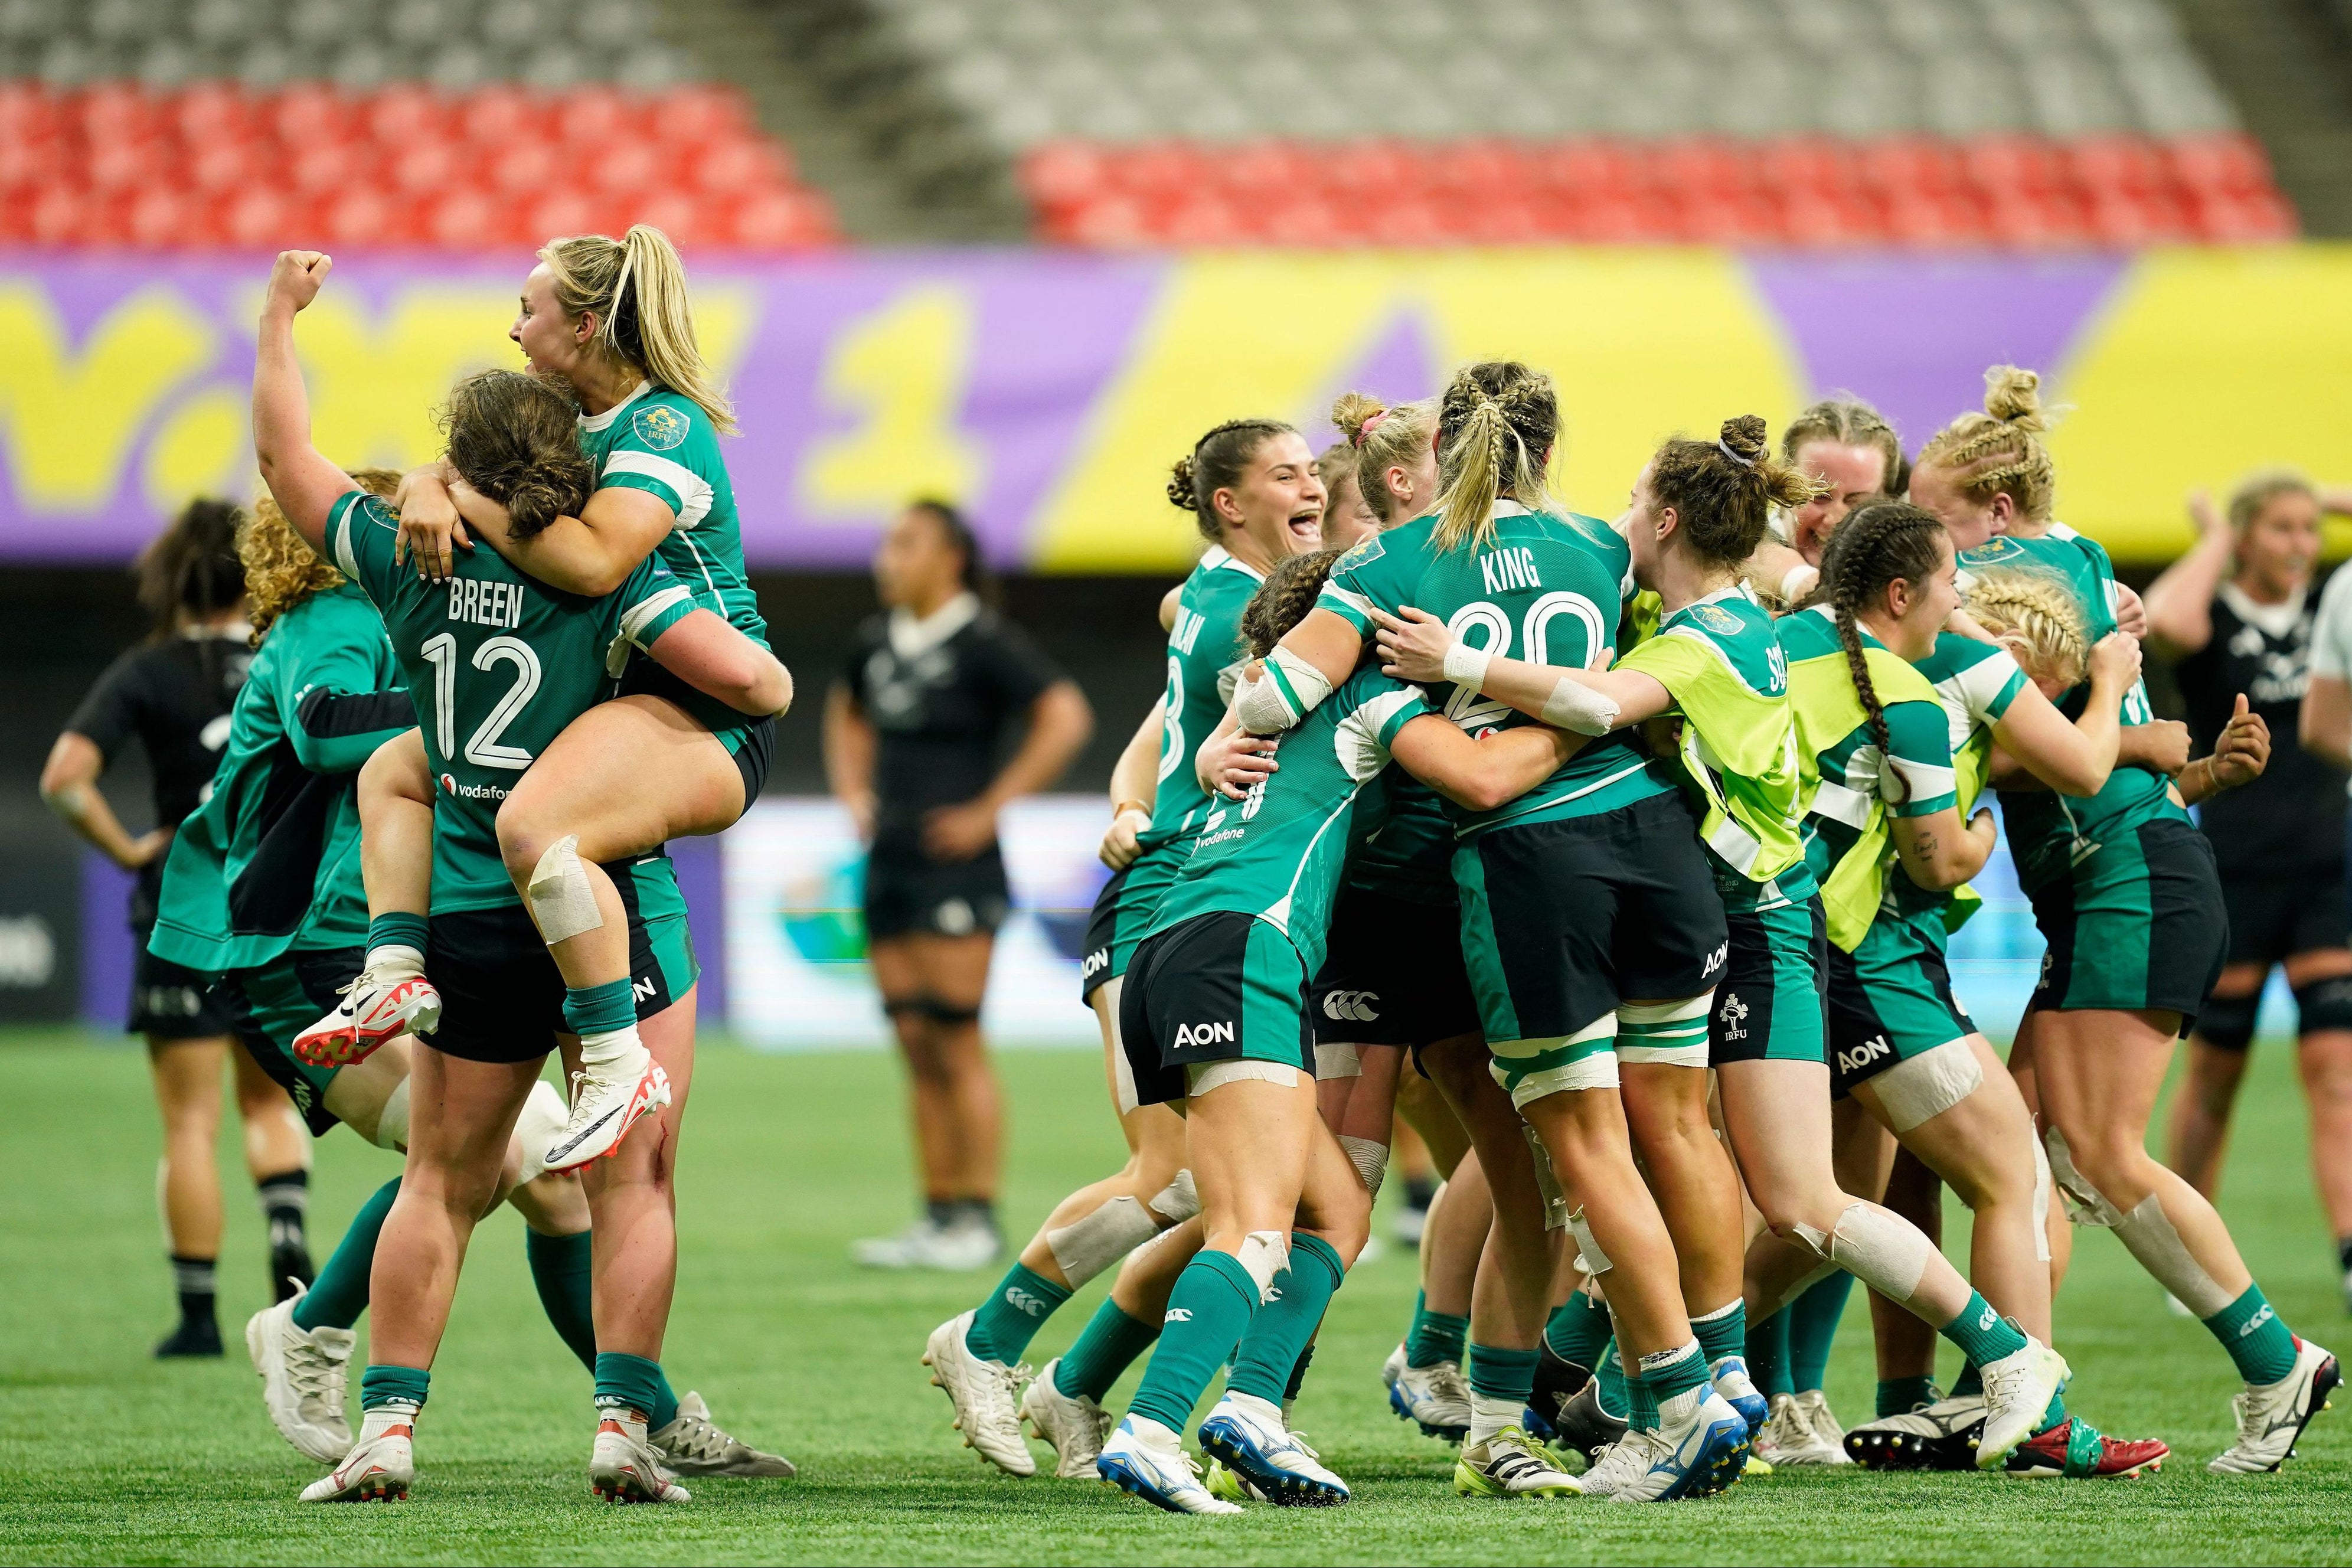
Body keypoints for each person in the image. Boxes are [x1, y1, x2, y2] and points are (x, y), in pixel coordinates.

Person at [1374, 415, 2075, 1481]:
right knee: (1660, 1157)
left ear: (1666, 519)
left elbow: (1594, 700)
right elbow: (1666, 548)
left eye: (1640, 500)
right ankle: (1697, 1384)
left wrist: (1454, 658)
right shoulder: (1745, 613)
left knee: (1775, 1194)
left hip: (1757, 928)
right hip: (1743, 921)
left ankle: (1997, 1353)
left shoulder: (1702, 639)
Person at [251, 249, 793, 1504]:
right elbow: (755, 682)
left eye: (530, 303)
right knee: (634, 1173)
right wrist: (755, 690)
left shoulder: (407, 548)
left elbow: (287, 459)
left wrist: (278, 321)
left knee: (440, 1178)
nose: (514, 316)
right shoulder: (612, 582)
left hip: (469, 918)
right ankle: (623, 1425)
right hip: (608, 892)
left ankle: (385, 1429)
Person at [151, 482, 783, 1480]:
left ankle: (638, 1410)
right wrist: (500, 708)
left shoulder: (425, 601)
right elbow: (322, 727)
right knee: (491, 1160)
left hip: (352, 933)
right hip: (295, 947)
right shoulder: (339, 609)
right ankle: (314, 1327)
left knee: (544, 1182)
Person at [1255, 362, 1750, 1504]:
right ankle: (1681, 1384)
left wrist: (1232, 724)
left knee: (1563, 1154)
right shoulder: (1606, 549)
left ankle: (1659, 1400)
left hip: (1521, 870)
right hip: (1653, 848)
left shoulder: (1382, 563)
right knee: (1653, 1131)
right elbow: (1684, 629)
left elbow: (1283, 692)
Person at [1911, 366, 2338, 1474]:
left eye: (1934, 509)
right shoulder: (2081, 560)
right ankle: (2018, 1396)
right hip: (2128, 869)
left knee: (2093, 1153)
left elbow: (2020, 748)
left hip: (2127, 883)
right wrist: (2179, 768)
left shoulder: (2002, 589)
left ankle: (2277, 1361)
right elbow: (2105, 754)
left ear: (1994, 516)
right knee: (2029, 1154)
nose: (1919, 532)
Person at [1095, 548, 1585, 1514]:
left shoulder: (1246, 708)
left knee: (1338, 1213)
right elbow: (1480, 778)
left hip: (1177, 946)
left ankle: (1251, 1413)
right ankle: (1151, 1427)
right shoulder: (1364, 696)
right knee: (1254, 1226)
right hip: (1250, 952)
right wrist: (1589, 719)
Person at [313, 225, 781, 1167]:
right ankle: (396, 966)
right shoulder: (570, 421)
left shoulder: (662, 425)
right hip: (614, 696)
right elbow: (502, 463)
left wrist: (455, 495)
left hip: (703, 702)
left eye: (531, 309)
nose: (517, 329)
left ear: (591, 324)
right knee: (400, 770)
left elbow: (597, 560)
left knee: (532, 828)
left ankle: (612, 1060)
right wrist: (433, 479)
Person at [920, 420, 1321, 1480]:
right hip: (1168, 901)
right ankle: (991, 1344)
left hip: (1198, 888)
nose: (1316, 489)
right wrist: (1144, 807)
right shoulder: (1246, 609)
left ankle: (1069, 1385)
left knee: (1230, 1190)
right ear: (1228, 502)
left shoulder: (1211, 595)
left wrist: (1131, 791)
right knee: (1178, 1177)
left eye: (1318, 472)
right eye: (1289, 475)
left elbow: (1158, 723)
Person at [1773, 508, 2173, 1479]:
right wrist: (2117, 697)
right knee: (2008, 1176)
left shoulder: (1786, 639)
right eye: (1946, 575)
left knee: (1809, 1213)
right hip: (1867, 956)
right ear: (1903, 589)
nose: (1960, 591)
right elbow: (1984, 824)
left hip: (1794, 947)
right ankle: (2031, 1416)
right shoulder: (1937, 666)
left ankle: (1621, 1372)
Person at [40, 496, 314, 1356]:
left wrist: (127, 848)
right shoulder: (285, 653)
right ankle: (290, 1256)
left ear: (171, 579)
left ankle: (199, 1318)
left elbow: (64, 779)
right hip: (278, 909)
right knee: (271, 1102)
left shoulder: (148, 670)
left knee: (190, 1123)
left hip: (183, 914)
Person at [825, 499, 1093, 1269]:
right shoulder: (877, 641)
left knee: (956, 1037)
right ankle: (935, 1212)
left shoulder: (982, 639)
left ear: (950, 559)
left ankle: (976, 1216)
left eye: (905, 543)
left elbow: (1064, 715)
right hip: (891, 862)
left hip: (959, 867)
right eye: (886, 542)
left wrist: (989, 810)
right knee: (912, 1038)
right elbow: (846, 709)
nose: (887, 558)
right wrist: (851, 788)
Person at [2147, 473, 2352, 1308]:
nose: (2301, 544)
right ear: (2244, 537)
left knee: (2337, 1069)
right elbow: (2164, 621)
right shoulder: (2215, 617)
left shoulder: (2328, 612)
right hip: (2233, 874)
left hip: (2327, 873)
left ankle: (2347, 1254)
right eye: (2280, 529)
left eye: (2311, 529)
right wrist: (2215, 537)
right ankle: (2183, 1257)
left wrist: (2326, 502)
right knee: (2216, 1079)